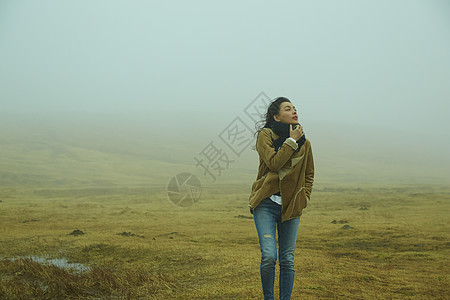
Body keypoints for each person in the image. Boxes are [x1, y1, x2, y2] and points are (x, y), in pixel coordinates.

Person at [248, 97, 315, 300]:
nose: (294, 111)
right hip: (266, 204)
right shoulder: (265, 135)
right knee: (269, 257)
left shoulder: (306, 143)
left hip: (291, 206)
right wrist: (291, 141)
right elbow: (274, 163)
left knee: (287, 260)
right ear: (276, 116)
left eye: (295, 108)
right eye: (288, 109)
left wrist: (303, 197)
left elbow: (309, 174)